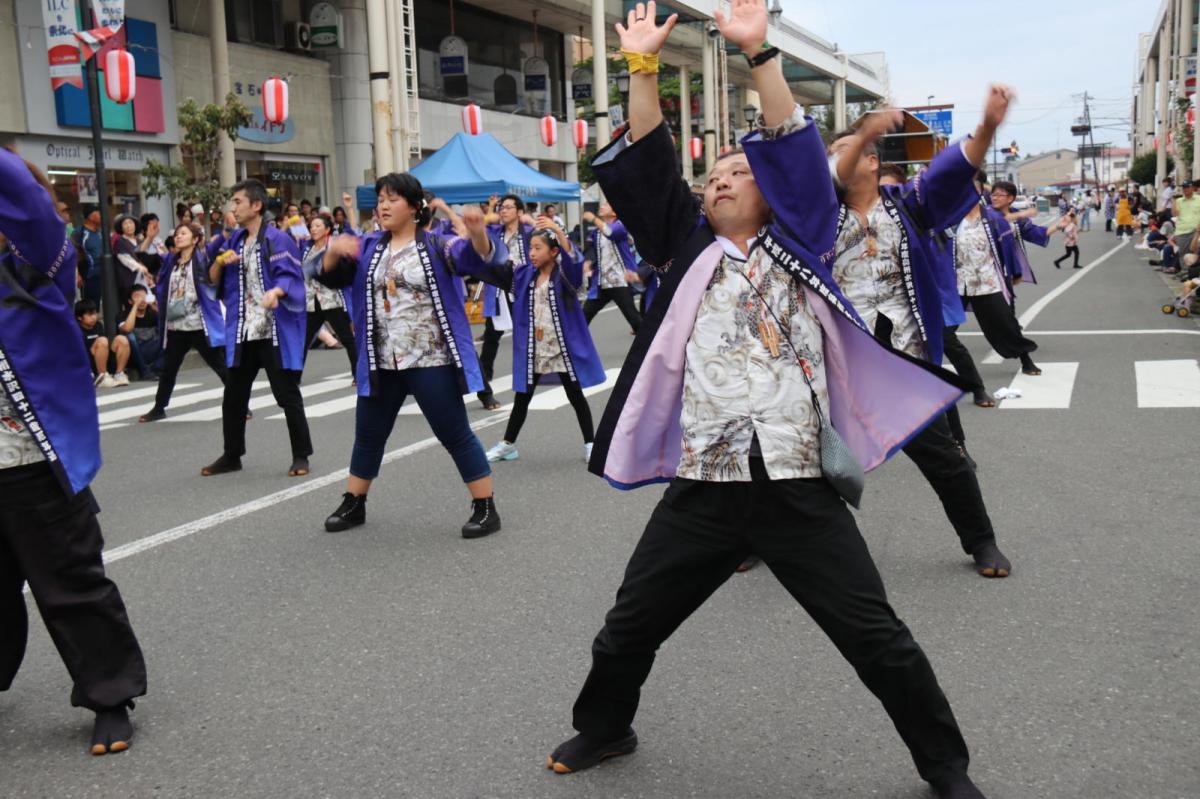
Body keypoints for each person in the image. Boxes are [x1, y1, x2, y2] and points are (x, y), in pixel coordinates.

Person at [546, 4, 987, 798]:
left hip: (797, 486)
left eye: (738, 172)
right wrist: (641, 68)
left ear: (775, 193)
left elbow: (793, 152)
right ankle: (607, 726)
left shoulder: (804, 237)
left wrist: (759, 53)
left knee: (878, 639)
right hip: (705, 486)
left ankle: (945, 765)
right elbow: (648, 164)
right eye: (713, 176)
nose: (720, 179)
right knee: (627, 627)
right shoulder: (685, 248)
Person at [826, 94, 1013, 578]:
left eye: (849, 149)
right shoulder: (818, 218)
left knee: (945, 459)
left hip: (902, 359)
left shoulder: (909, 207)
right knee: (797, 459)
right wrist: (863, 133)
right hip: (837, 359)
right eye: (834, 153)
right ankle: (758, 537)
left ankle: (982, 541)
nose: (838, 160)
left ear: (873, 162)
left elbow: (949, 174)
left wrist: (986, 129)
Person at [0, 147, 147, 755]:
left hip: (28, 459)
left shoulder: (36, 266)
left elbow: (30, 210)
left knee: (68, 582)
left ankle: (110, 695)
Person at [316, 172, 506, 538]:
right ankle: (354, 502)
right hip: (381, 359)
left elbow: (476, 257)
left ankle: (485, 507)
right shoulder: (369, 245)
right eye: (381, 200)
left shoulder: (437, 245)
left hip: (429, 358)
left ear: (415, 208)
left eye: (393, 199)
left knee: (454, 432)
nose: (384, 206)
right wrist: (333, 252)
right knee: (368, 434)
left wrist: (478, 232)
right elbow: (332, 276)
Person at [199, 179, 313, 478]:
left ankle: (301, 455)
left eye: (238, 202)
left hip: (272, 330)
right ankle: (231, 455)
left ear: (257, 205)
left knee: (286, 394)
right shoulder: (234, 240)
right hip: (243, 330)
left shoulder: (277, 239)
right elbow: (211, 278)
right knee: (233, 397)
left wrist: (277, 291)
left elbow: (291, 276)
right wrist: (220, 262)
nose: (233, 208)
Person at [472, 222, 604, 463]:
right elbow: (496, 268)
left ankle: (591, 444)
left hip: (561, 348)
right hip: (534, 348)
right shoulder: (524, 275)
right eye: (530, 247)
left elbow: (575, 264)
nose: (532, 253)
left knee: (575, 396)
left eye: (538, 248)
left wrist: (558, 230)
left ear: (553, 251)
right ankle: (508, 445)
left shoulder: (564, 276)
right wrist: (477, 238)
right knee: (522, 398)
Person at [139, 221, 230, 422]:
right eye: (177, 234)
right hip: (176, 326)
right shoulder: (170, 261)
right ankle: (159, 408)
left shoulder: (203, 257)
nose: (178, 236)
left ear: (195, 239)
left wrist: (228, 226)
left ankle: (241, 405)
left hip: (199, 324)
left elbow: (221, 241)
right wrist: (150, 237)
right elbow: (142, 257)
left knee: (220, 367)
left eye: (183, 233)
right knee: (168, 370)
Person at [475, 194, 534, 411]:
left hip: (523, 291)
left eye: (509, 207)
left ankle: (530, 378)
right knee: (491, 337)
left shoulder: (530, 233)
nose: (504, 210)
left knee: (527, 337)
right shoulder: (495, 232)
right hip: (499, 291)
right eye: (502, 207)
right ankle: (485, 385)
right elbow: (478, 231)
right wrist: (490, 208)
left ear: (520, 212)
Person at [301, 213, 357, 373]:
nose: (313, 229)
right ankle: (293, 377)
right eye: (311, 226)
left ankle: (358, 374)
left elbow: (353, 236)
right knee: (303, 340)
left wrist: (349, 209)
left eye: (317, 226)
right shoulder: (307, 248)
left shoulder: (334, 246)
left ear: (327, 229)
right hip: (312, 302)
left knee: (347, 338)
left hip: (332, 300)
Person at [582, 206, 643, 333]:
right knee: (584, 316)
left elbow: (610, 233)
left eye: (606, 205)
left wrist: (593, 219)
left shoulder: (620, 226)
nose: (601, 207)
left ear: (614, 212)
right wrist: (588, 261)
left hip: (620, 280)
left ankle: (649, 341)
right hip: (601, 282)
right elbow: (591, 249)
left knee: (633, 318)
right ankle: (575, 343)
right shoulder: (597, 232)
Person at [76, 299, 132, 387]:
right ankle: (102, 377)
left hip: (103, 360)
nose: (94, 317)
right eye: (90, 315)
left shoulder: (98, 325)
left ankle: (119, 374)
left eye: (95, 314)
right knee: (102, 340)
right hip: (88, 364)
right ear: (79, 317)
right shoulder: (76, 328)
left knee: (122, 339)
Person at [117, 285, 162, 379]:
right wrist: (135, 306)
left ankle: (155, 368)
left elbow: (167, 327)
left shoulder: (152, 312)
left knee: (169, 337)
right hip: (133, 354)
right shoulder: (123, 314)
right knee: (130, 336)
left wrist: (157, 308)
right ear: (130, 301)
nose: (141, 300)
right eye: (137, 296)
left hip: (150, 348)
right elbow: (127, 329)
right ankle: (144, 371)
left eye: (144, 296)